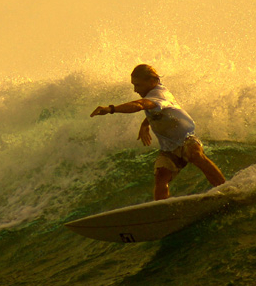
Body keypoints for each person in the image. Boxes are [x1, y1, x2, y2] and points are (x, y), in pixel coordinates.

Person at [90, 64, 226, 200]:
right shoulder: (154, 96)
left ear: (151, 81)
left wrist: (111, 109)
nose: (135, 90)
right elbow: (156, 111)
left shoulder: (159, 94)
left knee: (195, 155)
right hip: (169, 147)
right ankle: (162, 209)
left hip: (187, 139)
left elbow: (140, 105)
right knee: (161, 176)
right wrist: (145, 124)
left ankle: (225, 189)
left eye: (138, 85)